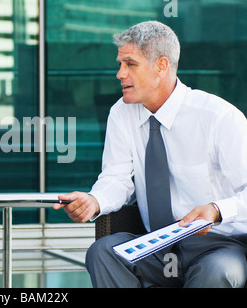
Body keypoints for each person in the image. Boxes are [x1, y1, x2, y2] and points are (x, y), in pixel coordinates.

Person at [54, 21, 247, 288]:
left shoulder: (218, 117)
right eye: (120, 64)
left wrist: (216, 210)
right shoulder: (121, 113)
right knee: (103, 253)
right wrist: (94, 201)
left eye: (130, 64)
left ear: (161, 66)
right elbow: (117, 179)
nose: (120, 74)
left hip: (219, 245)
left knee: (216, 273)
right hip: (156, 245)